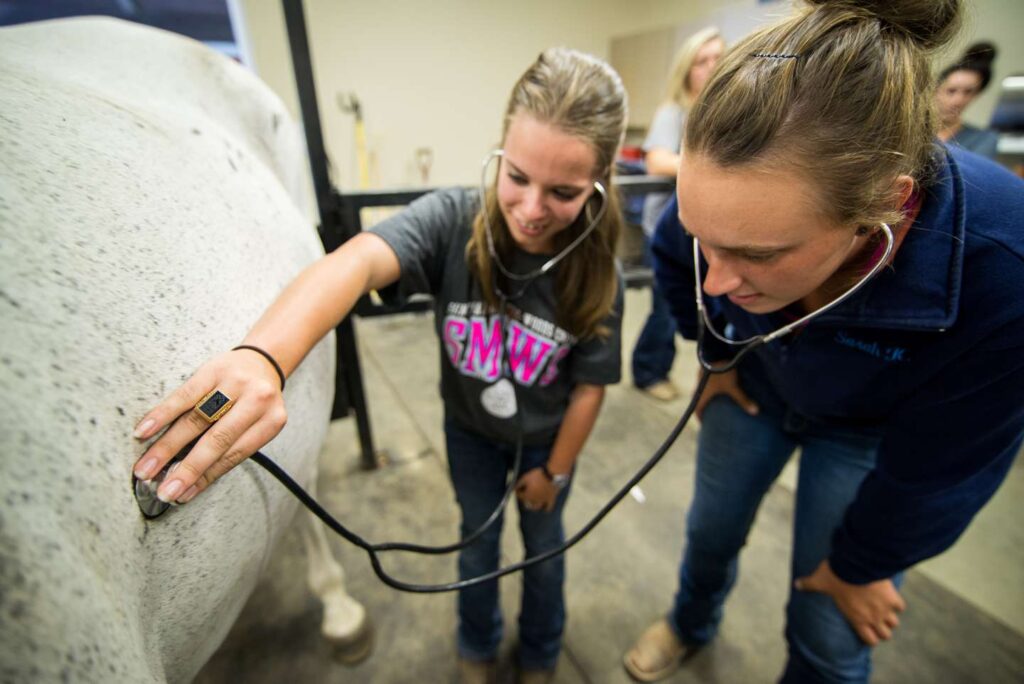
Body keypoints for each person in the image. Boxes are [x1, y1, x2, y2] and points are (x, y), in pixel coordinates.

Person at [131, 47, 626, 684]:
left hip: (549, 445)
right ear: (499, 153)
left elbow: (590, 389)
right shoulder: (455, 220)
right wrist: (263, 357)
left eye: (562, 192)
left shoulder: (596, 273)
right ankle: (477, 648)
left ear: (599, 182)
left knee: (545, 553)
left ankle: (540, 655)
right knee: (476, 543)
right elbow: (359, 260)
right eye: (517, 177)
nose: (531, 209)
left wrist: (555, 472)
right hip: (472, 434)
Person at [622, 0, 1024, 682]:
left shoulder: (1003, 264)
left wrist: (863, 565)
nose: (715, 282)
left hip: (875, 430)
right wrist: (715, 357)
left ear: (888, 206)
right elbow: (671, 256)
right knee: (710, 530)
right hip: (756, 383)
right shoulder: (711, 222)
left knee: (830, 620)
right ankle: (690, 621)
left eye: (756, 253)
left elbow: (943, 470)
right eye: (705, 239)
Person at [632, 27, 724, 402]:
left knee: (695, 303)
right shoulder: (674, 111)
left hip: (704, 229)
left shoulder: (720, 111)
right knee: (666, 307)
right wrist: (709, 163)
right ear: (687, 68)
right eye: (702, 61)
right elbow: (656, 161)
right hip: (666, 229)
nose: (711, 67)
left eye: (718, 58)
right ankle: (649, 370)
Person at [936, 42, 1000, 159]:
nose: (958, 100)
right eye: (951, 90)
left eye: (968, 92)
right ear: (935, 91)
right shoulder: (912, 131)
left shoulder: (983, 140)